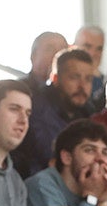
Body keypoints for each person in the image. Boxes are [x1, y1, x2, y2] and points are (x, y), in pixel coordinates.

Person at [13, 48, 96, 177]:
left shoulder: (89, 115)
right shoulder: (34, 106)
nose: (82, 86)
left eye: (88, 79)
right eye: (75, 77)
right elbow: (46, 156)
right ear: (55, 78)